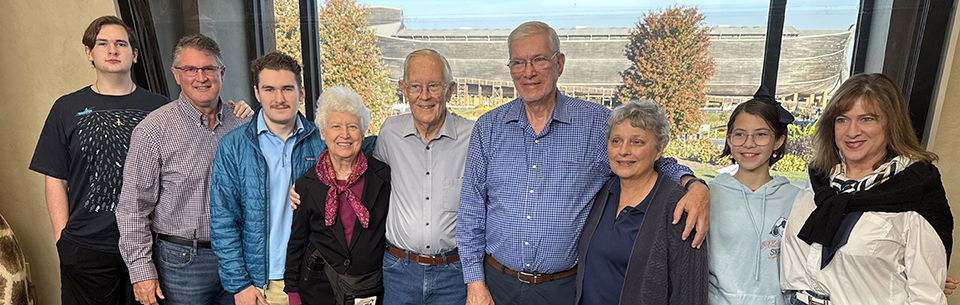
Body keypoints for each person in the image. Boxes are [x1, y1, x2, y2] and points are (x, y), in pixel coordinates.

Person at [457, 21, 710, 305]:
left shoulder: (596, 123)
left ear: (559, 63)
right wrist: (475, 283)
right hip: (497, 284)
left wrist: (694, 184)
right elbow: (471, 209)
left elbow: (646, 159)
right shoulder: (489, 127)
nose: (528, 72)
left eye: (539, 60)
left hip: (564, 289)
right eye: (518, 62)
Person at [30, 17, 249, 305]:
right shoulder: (68, 108)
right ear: (88, 52)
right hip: (92, 243)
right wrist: (63, 237)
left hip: (159, 246)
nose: (112, 50)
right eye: (103, 44)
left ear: (135, 54)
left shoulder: (159, 106)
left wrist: (241, 112)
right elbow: (56, 176)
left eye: (121, 43)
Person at [780, 73, 953, 304]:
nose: (852, 132)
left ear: (892, 123)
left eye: (867, 119)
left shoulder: (914, 192)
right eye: (842, 119)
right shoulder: (819, 181)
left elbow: (926, 296)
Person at [117, 33, 252, 305]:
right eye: (190, 69)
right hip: (181, 262)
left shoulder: (242, 126)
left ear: (222, 72)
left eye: (208, 68)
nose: (200, 77)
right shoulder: (152, 131)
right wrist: (141, 272)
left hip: (239, 258)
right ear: (176, 75)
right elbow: (133, 208)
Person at [209, 51, 324, 305]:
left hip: (312, 280)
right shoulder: (234, 146)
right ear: (257, 93)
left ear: (301, 92)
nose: (279, 99)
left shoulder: (321, 143)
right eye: (269, 89)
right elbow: (223, 220)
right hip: (259, 285)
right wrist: (240, 285)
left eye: (287, 89)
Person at [575, 100, 707, 304]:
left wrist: (696, 185)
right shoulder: (602, 192)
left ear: (659, 148)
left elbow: (689, 293)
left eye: (637, 142)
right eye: (616, 141)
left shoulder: (678, 207)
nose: (623, 151)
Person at [375, 49, 473, 304]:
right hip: (399, 271)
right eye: (415, 86)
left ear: (450, 90)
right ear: (403, 89)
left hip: (454, 274)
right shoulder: (389, 133)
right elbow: (360, 173)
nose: (425, 96)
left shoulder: (472, 137)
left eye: (434, 86)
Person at [284, 86, 391, 305]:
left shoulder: (383, 176)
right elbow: (296, 242)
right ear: (323, 133)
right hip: (319, 288)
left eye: (352, 126)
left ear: (363, 132)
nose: (344, 134)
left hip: (371, 287)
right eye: (335, 126)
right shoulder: (307, 184)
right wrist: (292, 292)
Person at [707, 98, 800, 305]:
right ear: (729, 140)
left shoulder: (797, 199)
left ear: (778, 141)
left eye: (761, 134)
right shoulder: (707, 194)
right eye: (739, 134)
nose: (749, 143)